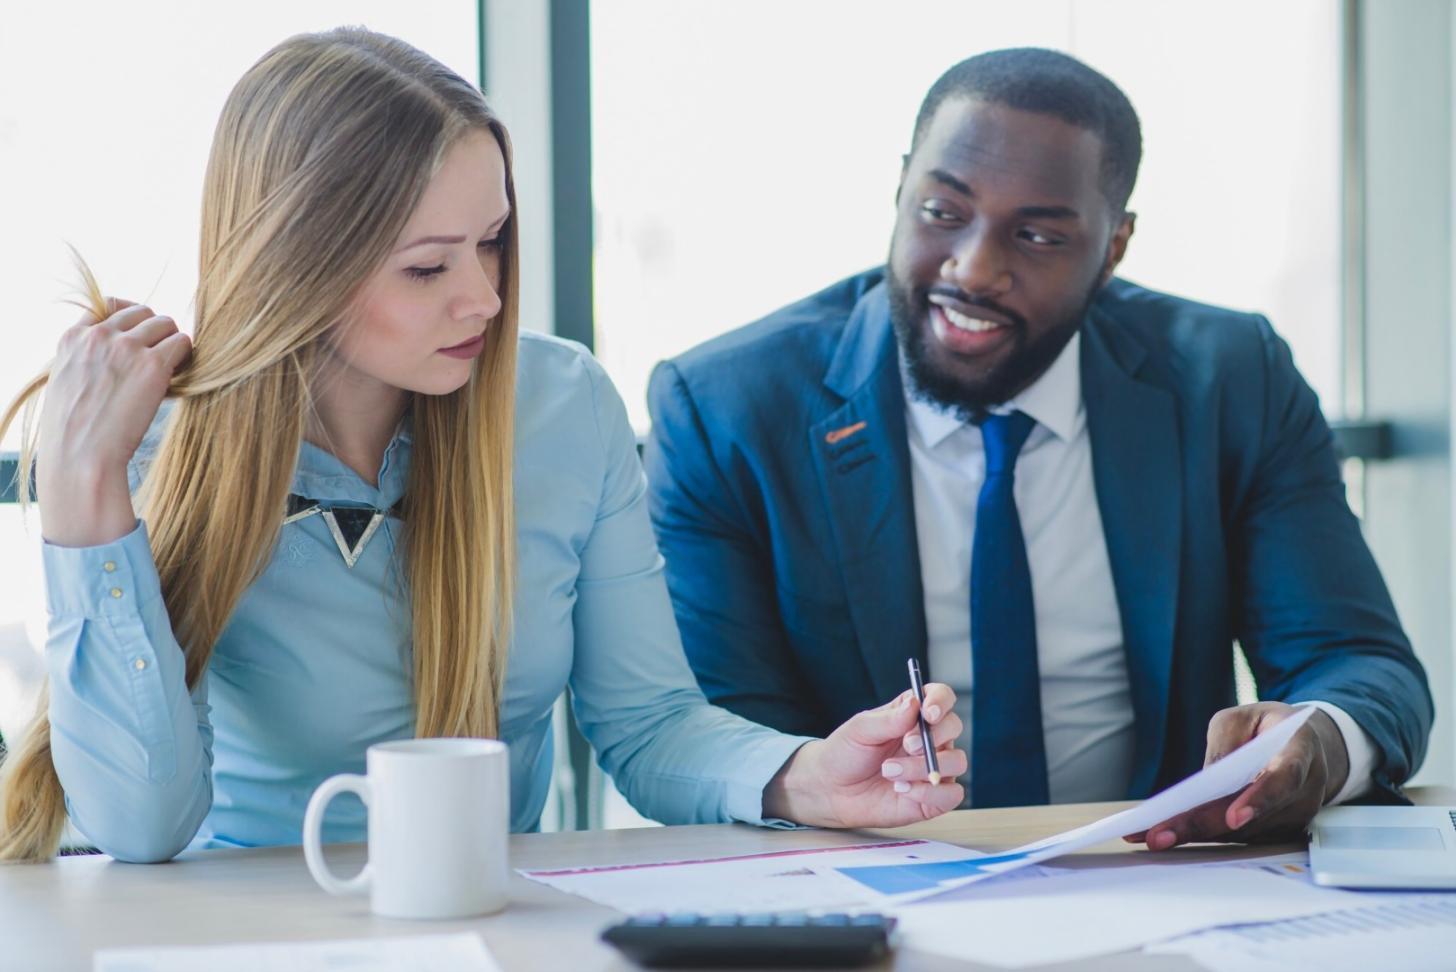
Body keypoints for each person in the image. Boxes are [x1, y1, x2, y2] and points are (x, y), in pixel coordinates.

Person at [0, 28, 967, 865]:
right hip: (257, 936)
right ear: (297, 265)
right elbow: (141, 824)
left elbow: (648, 723)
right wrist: (85, 503)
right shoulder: (158, 444)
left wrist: (801, 778)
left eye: (494, 241)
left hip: (496, 925)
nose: (486, 300)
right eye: (427, 267)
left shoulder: (564, 405)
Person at [645, 48, 1432, 849]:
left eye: (1036, 235)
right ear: (900, 192)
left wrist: (1321, 741)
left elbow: (1356, 661)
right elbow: (720, 739)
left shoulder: (1230, 379)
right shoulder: (728, 410)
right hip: (863, 888)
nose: (974, 268)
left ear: (1114, 247)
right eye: (942, 212)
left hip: (1156, 877)